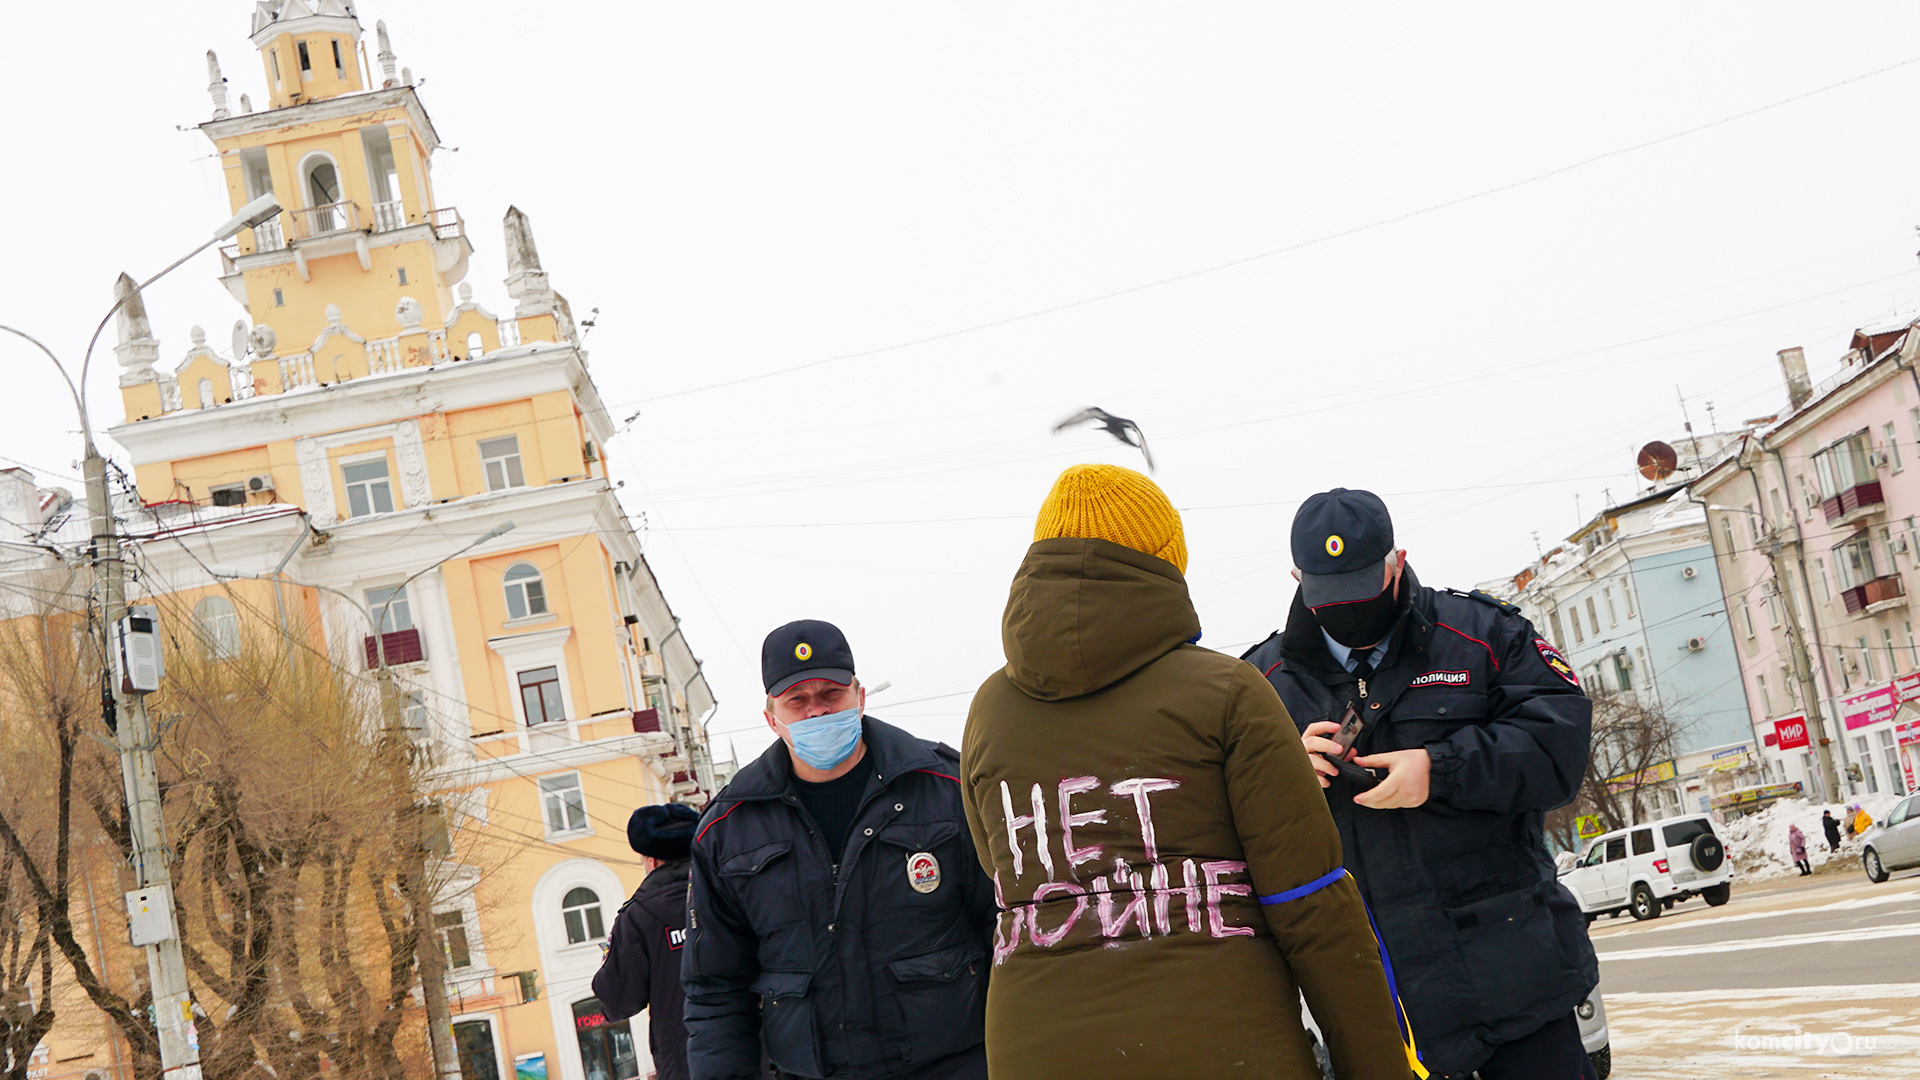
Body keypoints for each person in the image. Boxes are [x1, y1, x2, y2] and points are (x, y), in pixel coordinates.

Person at [960, 464, 1417, 1079]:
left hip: (1034, 1052)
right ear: (1164, 562)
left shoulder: (988, 714)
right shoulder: (1227, 691)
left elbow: (1002, 871)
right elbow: (1313, 909)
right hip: (1224, 1046)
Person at [1244, 488, 1598, 1080]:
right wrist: (1283, 776)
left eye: (1363, 587)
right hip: (1373, 1012)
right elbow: (1223, 831)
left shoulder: (1483, 635)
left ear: (1397, 562)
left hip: (1514, 983)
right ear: (1297, 579)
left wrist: (1442, 769)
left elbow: (1558, 747)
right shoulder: (1261, 683)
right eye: (1327, 595)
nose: (1347, 609)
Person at [682, 620, 996, 1080]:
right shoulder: (729, 829)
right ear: (772, 718)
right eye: (797, 701)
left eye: (831, 694)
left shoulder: (946, 790)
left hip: (956, 1065)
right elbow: (715, 990)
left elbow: (1005, 933)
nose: (817, 713)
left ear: (860, 697)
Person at [592, 803, 704, 1080]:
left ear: (651, 861)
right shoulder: (735, 894)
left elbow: (617, 1002)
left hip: (685, 1063)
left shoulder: (638, 917)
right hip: (758, 1052)